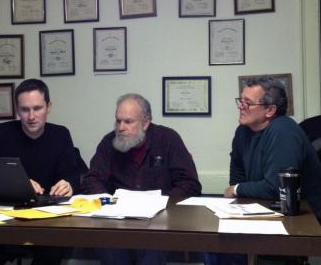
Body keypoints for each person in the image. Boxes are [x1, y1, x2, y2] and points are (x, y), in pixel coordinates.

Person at [206, 76, 321, 265]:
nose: (241, 106)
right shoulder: (242, 131)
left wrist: (237, 189)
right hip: (261, 209)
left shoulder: (283, 130)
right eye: (241, 101)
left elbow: (276, 187)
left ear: (270, 110)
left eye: (248, 103)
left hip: (299, 218)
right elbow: (237, 178)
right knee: (216, 244)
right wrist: (238, 189)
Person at [83, 93, 202, 265]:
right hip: (116, 221)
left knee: (152, 246)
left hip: (157, 221)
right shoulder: (109, 142)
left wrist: (162, 204)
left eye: (128, 121)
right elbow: (92, 179)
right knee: (107, 245)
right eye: (118, 121)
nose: (121, 127)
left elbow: (189, 184)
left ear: (146, 123)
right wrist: (108, 203)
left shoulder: (167, 139)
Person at [0, 78, 81, 265]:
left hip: (46, 217)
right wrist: (17, 183)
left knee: (54, 248)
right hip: (3, 216)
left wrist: (68, 183)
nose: (31, 116)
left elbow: (73, 173)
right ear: (17, 110)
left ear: (49, 107)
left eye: (37, 108)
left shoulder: (61, 135)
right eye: (25, 109)